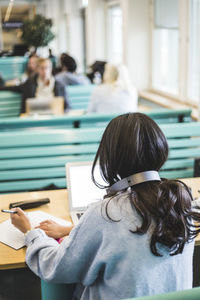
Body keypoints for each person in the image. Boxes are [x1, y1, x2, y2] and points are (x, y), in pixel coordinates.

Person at [11, 113, 200, 300]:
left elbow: (56, 268)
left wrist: (31, 233)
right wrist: (72, 229)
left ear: (111, 158)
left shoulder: (106, 213)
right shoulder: (182, 202)